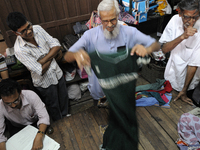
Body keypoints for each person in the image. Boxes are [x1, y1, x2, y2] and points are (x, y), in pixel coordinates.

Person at [64, 0, 160, 149]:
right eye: (105, 21)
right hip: (100, 90)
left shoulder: (129, 32)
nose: (109, 25)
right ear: (99, 19)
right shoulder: (90, 36)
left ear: (118, 16)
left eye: (113, 20)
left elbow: (154, 44)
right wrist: (77, 55)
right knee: (107, 120)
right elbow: (67, 56)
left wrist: (146, 49)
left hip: (122, 90)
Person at [6, 12, 69, 121]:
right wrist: (51, 54)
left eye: (29, 26)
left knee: (63, 97)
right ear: (16, 33)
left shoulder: (38, 29)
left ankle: (66, 116)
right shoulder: (20, 49)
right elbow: (40, 70)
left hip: (57, 72)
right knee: (53, 104)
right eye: (24, 31)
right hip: (44, 82)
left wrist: (43, 59)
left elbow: (56, 44)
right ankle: (60, 122)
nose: (29, 31)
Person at [159, 0, 200, 106]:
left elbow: (193, 65)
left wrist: (184, 91)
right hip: (170, 74)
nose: (191, 22)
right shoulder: (174, 20)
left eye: (195, 17)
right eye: (187, 17)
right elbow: (164, 49)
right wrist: (182, 36)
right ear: (180, 13)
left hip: (188, 82)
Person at [0, 78, 50, 150]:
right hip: (17, 127)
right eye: (8, 103)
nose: (13, 105)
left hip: (35, 123)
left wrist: (39, 136)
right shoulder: (0, 105)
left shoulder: (31, 95)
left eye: (15, 101)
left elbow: (44, 117)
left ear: (20, 92)